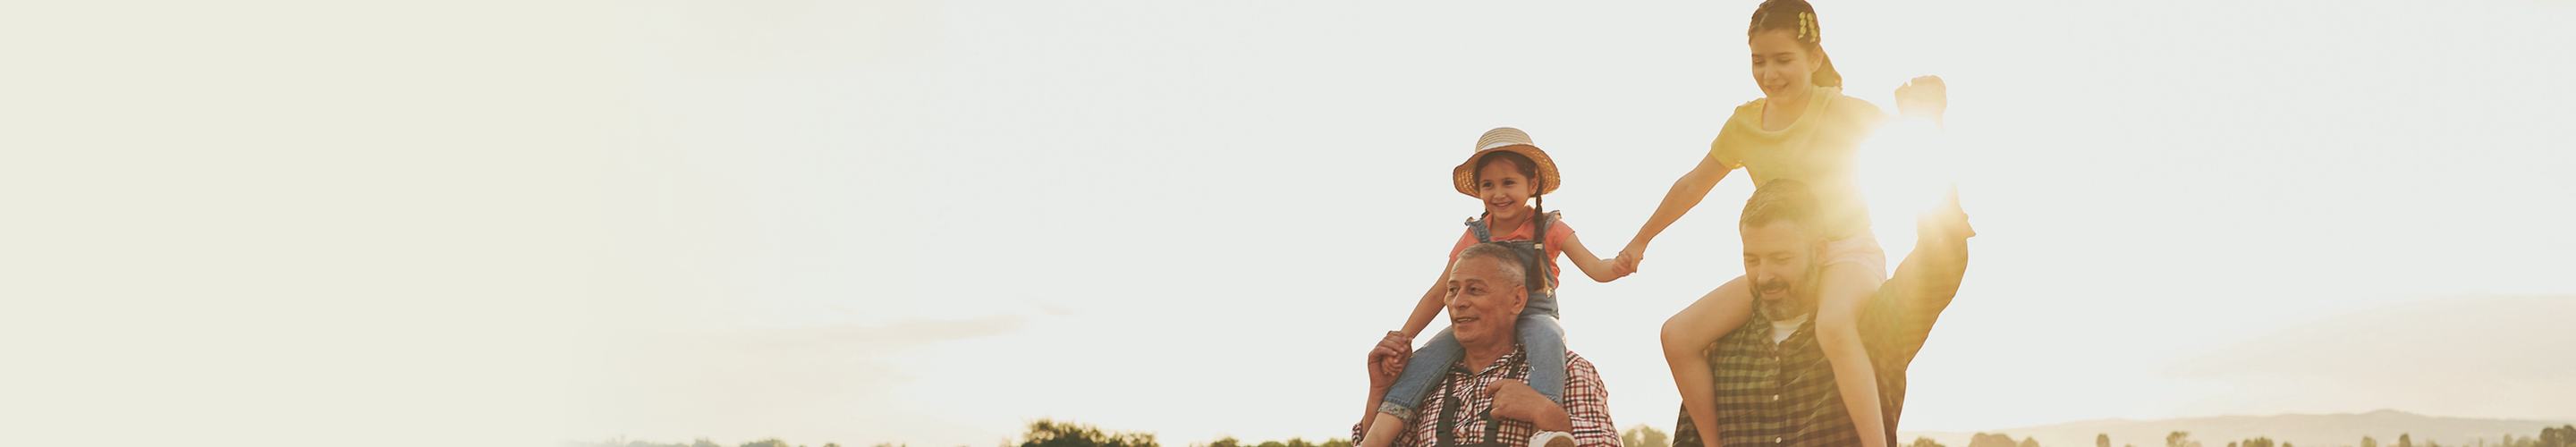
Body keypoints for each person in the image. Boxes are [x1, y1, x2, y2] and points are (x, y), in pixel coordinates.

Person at [1607, 1, 1949, 446]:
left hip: (1847, 252)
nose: (1770, 73)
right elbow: (1692, 185)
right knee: (1678, 335)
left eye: (1783, 59)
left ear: (1814, 58)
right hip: (1783, 262)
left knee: (1833, 325)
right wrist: (1640, 241)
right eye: (1759, 61)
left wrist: (1925, 114)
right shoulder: (1744, 124)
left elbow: (1910, 142)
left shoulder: (1839, 109)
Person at [1669, 179, 1974, 447]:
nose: (1764, 276)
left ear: (1819, 252)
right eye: (1752, 260)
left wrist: (1929, 124)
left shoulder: (1870, 331)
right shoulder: (1720, 349)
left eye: (1781, 258)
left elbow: (1938, 258)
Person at [1368, 127, 1631, 433]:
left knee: (1549, 339)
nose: (1498, 193)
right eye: (1488, 185)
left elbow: (1596, 267)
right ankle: (1379, 433)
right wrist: (1405, 337)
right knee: (1424, 359)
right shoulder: (1475, 234)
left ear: (1532, 184)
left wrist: (1619, 265)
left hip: (1534, 313)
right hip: (1481, 319)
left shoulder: (1548, 227)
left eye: (1509, 182)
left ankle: (1546, 427)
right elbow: (1439, 292)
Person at [1355, 242, 1619, 447]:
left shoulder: (1570, 370)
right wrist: (1380, 391)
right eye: (1453, 290)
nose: (1458, 302)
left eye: (1475, 290)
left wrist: (1548, 414)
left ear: (1517, 300)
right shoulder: (1426, 379)